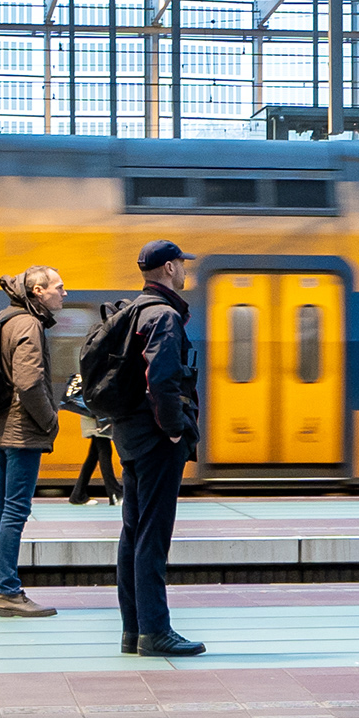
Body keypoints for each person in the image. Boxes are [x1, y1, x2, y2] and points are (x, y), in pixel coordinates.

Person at [112, 238, 205, 658]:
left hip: (130, 436)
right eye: (182, 265)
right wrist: (172, 430)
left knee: (133, 533)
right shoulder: (165, 316)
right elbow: (163, 378)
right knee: (153, 535)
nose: (186, 271)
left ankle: (134, 630)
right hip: (155, 440)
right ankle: (156, 631)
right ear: (168, 268)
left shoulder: (134, 310)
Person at [0, 266, 64, 619]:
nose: (65, 293)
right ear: (39, 290)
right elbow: (28, 383)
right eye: (59, 287)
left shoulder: (6, 318)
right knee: (15, 510)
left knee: (1, 508)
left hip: (1, 426)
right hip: (23, 431)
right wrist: (50, 422)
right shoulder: (28, 324)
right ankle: (10, 592)